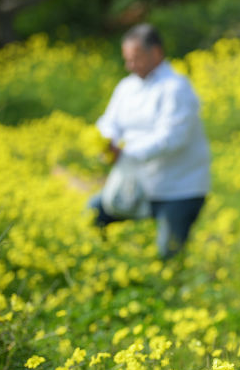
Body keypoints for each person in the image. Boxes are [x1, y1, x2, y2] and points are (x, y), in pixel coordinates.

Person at [88, 23, 211, 259]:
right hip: (138, 184)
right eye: (127, 59)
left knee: (168, 255)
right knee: (93, 214)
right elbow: (109, 122)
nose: (129, 65)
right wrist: (106, 141)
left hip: (179, 188)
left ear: (156, 53)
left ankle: (169, 289)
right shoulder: (126, 87)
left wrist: (124, 153)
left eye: (135, 59)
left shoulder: (176, 87)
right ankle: (104, 266)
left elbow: (172, 138)